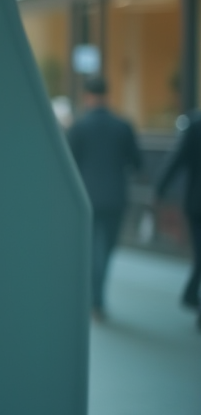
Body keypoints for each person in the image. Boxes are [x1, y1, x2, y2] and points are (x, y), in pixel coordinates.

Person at [67, 77, 142, 317]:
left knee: (92, 250)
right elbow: (137, 162)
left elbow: (69, 163)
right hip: (116, 197)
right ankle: (98, 297)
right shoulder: (123, 125)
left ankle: (95, 299)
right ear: (107, 95)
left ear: (87, 96)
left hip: (86, 199)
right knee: (107, 248)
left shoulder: (78, 127)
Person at [156, 109, 201, 323]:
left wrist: (160, 188)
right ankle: (191, 293)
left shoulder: (196, 123)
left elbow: (178, 158)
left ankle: (192, 292)